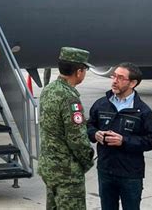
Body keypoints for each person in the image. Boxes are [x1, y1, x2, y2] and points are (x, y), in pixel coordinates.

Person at [87, 63, 152, 210]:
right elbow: (89, 126)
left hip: (130, 174)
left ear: (133, 83)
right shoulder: (101, 105)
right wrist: (95, 134)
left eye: (120, 78)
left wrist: (123, 141)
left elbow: (151, 140)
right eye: (114, 76)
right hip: (105, 171)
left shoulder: (143, 111)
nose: (114, 80)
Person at [38, 47, 95, 210]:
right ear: (78, 72)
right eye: (85, 69)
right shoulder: (70, 98)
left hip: (49, 167)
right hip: (67, 173)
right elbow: (76, 139)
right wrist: (87, 159)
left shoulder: (48, 90)